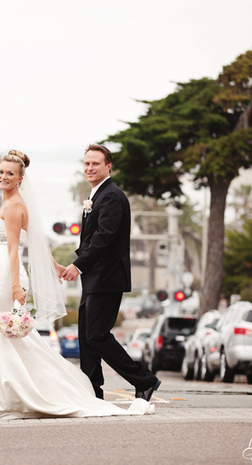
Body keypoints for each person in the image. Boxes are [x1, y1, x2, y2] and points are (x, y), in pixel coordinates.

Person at [0, 150, 154, 420]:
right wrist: (56, 267)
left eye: (10, 173)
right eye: (1, 172)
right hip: (12, 273)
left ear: (20, 178)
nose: (3, 177)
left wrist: (22, 283)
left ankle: (136, 381)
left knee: (89, 336)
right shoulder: (16, 203)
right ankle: (89, 390)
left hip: (27, 276)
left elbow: (16, 249)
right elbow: (35, 241)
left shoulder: (18, 205)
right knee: (79, 337)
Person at [60, 144, 161, 402]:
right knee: (87, 338)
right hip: (93, 278)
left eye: (95, 163)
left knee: (97, 335)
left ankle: (144, 380)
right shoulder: (97, 195)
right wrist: (79, 265)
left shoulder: (112, 196)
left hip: (107, 278)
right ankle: (92, 391)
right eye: (87, 163)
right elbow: (91, 239)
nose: (90, 168)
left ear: (108, 166)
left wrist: (78, 265)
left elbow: (104, 238)